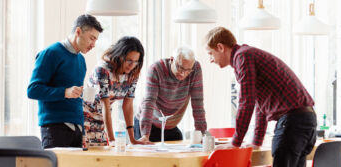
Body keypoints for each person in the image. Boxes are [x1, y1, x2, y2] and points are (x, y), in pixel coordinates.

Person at [205, 27, 316, 167]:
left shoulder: (242, 57)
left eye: (210, 54)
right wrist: (256, 140)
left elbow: (247, 101)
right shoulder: (248, 54)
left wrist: (235, 142)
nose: (210, 60)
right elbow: (260, 104)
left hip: (292, 123)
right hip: (306, 120)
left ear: (220, 47)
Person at [27, 14, 103, 149]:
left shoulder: (81, 60)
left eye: (95, 40)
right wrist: (65, 92)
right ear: (78, 32)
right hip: (55, 129)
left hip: (78, 128)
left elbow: (73, 95)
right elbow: (33, 90)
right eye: (92, 38)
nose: (93, 44)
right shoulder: (50, 53)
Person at [83, 36, 151, 147]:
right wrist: (112, 139)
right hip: (84, 118)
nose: (132, 65)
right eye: (129, 60)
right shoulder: (103, 70)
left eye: (136, 62)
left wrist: (132, 139)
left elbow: (127, 105)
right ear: (119, 56)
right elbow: (105, 105)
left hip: (101, 120)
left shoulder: (132, 74)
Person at [134, 46, 207, 142]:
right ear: (172, 59)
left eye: (187, 70)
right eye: (180, 68)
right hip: (148, 124)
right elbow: (149, 102)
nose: (183, 74)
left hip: (170, 126)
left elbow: (198, 103)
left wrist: (201, 134)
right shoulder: (156, 69)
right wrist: (145, 135)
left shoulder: (195, 69)